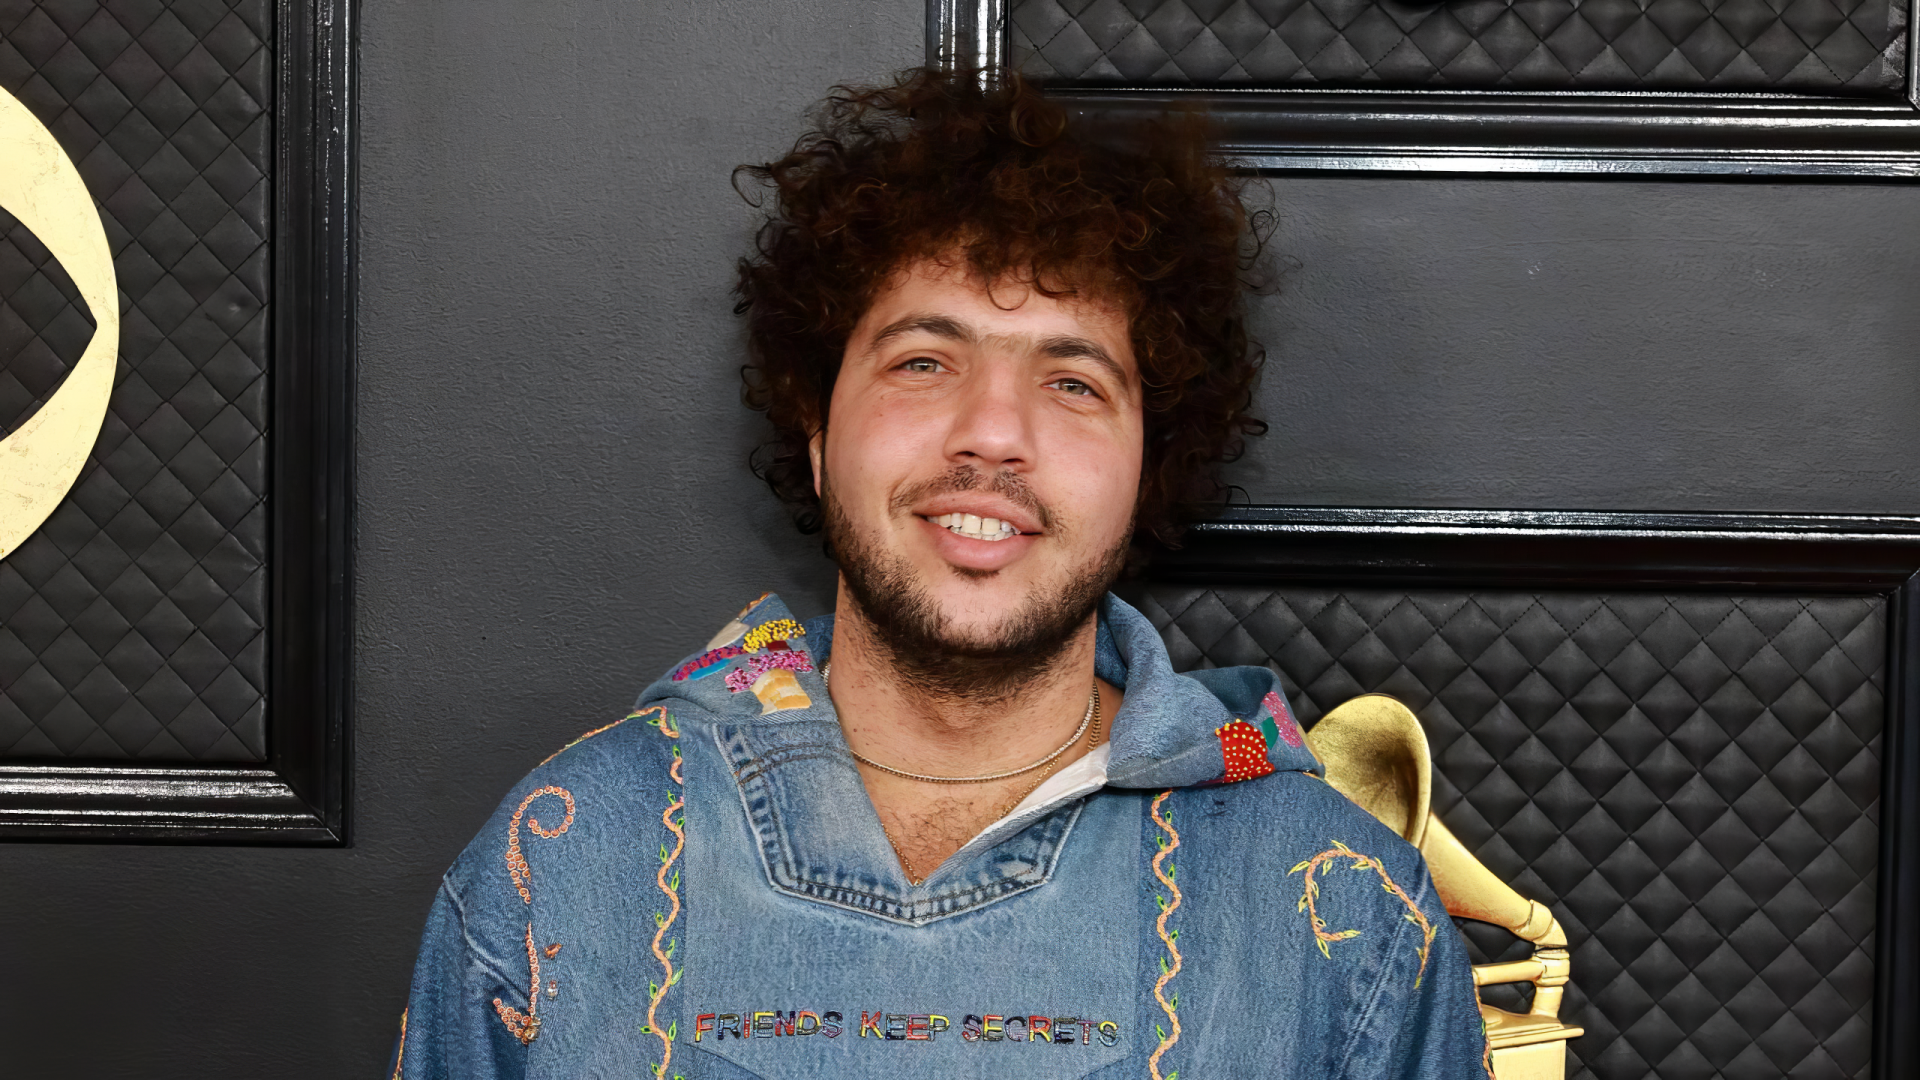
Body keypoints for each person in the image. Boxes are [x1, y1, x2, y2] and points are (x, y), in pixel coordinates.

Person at [389, 67, 1490, 1079]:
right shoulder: (564, 857)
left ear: (1149, 467)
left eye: (1073, 383)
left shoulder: (1347, 911)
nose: (994, 433)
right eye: (925, 361)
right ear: (818, 433)